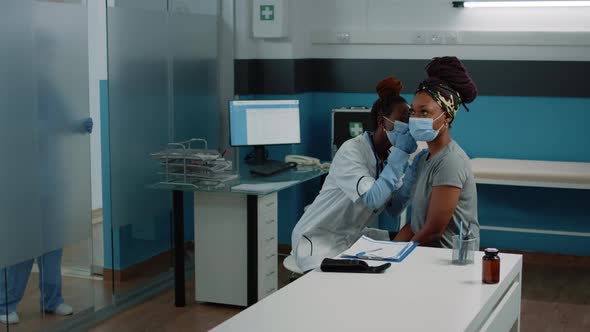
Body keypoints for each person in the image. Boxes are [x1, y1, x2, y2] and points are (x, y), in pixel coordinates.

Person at [290, 76, 422, 272]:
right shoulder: (352, 150)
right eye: (402, 121)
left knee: (404, 241)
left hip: (349, 235)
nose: (408, 127)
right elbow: (372, 199)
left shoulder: (388, 156)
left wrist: (413, 173)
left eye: (409, 122)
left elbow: (394, 208)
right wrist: (400, 156)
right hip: (317, 239)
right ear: (382, 121)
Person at [0, 118, 93, 325]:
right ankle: (6, 304)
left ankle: (52, 301)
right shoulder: (11, 108)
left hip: (48, 187)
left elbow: (58, 125)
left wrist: (77, 126)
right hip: (20, 190)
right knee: (21, 249)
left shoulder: (45, 108)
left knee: (52, 247)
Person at [393, 56, 480, 248]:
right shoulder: (424, 158)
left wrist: (397, 257)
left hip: (447, 259)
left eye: (424, 112)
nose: (415, 118)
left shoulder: (450, 162)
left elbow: (432, 231)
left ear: (447, 117)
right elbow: (417, 224)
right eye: (412, 112)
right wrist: (390, 250)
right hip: (423, 249)